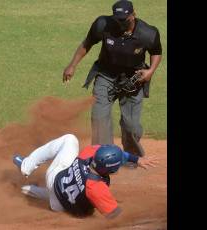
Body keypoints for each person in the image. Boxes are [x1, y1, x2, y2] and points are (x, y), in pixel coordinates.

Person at [62, 0, 162, 157]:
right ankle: (103, 158)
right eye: (117, 19)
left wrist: (150, 71)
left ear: (133, 15)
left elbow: (156, 52)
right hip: (106, 75)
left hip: (133, 80)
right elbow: (87, 43)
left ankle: (132, 157)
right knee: (99, 118)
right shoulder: (102, 24)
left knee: (132, 126)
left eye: (124, 19)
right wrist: (72, 65)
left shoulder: (148, 33)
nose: (120, 22)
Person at [13, 134, 157, 218]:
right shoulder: (96, 188)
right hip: (60, 206)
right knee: (67, 200)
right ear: (111, 170)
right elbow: (114, 215)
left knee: (70, 139)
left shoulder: (88, 154)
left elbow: (109, 153)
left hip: (54, 178)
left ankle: (26, 167)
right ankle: (27, 189)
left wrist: (136, 160)